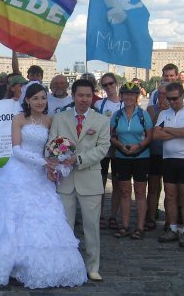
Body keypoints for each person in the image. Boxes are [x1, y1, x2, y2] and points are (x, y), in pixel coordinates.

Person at [0, 82, 87, 288]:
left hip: (40, 177)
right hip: (18, 174)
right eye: (35, 98)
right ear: (26, 100)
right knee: (11, 219)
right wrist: (44, 162)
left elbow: (52, 146)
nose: (39, 102)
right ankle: (7, 263)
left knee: (42, 219)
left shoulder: (50, 120)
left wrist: (55, 160)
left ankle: (35, 266)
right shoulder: (19, 119)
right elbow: (17, 150)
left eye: (43, 98)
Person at [48, 78, 110, 282]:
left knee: (91, 227)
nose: (84, 99)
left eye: (88, 96)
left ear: (93, 97)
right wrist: (58, 158)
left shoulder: (101, 120)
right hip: (65, 181)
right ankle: (66, 264)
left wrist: (78, 158)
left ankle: (93, 265)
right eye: (80, 95)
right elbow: (52, 143)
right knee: (65, 226)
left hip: (90, 179)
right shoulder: (60, 118)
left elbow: (102, 148)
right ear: (73, 95)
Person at [153, 82, 184, 247]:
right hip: (168, 158)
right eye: (168, 98)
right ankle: (172, 228)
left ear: (182, 97)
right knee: (170, 194)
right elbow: (156, 134)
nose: (171, 102)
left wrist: (168, 130)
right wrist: (176, 132)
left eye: (174, 99)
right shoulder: (164, 113)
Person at [109, 83, 153, 239]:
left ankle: (140, 227)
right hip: (122, 156)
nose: (128, 97)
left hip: (141, 156)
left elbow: (149, 136)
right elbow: (111, 136)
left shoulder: (143, 114)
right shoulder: (117, 115)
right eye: (125, 94)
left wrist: (138, 145)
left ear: (136, 97)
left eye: (132, 95)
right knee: (125, 192)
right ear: (121, 97)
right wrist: (121, 145)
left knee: (140, 192)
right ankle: (125, 225)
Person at [95, 73, 122, 231]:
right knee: (100, 185)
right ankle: (99, 215)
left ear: (116, 84)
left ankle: (113, 215)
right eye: (105, 85)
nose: (109, 87)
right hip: (103, 148)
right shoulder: (100, 104)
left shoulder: (125, 102)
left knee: (118, 184)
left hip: (118, 147)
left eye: (111, 83)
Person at [145, 82, 169, 232]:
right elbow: (151, 130)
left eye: (165, 94)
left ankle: (170, 220)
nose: (162, 96)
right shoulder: (151, 109)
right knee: (153, 187)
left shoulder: (176, 110)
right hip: (154, 152)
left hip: (170, 153)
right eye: (160, 93)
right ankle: (151, 216)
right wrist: (160, 110)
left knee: (170, 188)